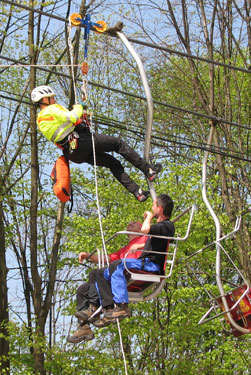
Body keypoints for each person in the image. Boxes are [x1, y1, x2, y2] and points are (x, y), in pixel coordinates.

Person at [31, 85, 162, 202]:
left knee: (113, 164)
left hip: (74, 153)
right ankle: (148, 170)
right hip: (81, 141)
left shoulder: (40, 121)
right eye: (51, 98)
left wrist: (82, 118)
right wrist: (79, 107)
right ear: (44, 100)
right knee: (118, 144)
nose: (54, 100)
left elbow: (65, 127)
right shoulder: (51, 109)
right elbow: (72, 117)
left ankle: (137, 192)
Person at [95, 194, 175, 321]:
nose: (151, 208)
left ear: (159, 209)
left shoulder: (166, 226)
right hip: (145, 262)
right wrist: (140, 246)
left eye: (153, 205)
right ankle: (108, 308)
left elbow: (144, 230)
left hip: (151, 264)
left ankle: (122, 306)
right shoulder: (161, 228)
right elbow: (156, 240)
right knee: (103, 273)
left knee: (119, 265)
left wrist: (149, 217)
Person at [67, 221, 147, 344]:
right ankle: (84, 326)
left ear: (141, 228)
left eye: (133, 224)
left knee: (98, 273)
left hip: (130, 271)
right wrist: (88, 256)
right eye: (128, 224)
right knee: (82, 290)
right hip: (116, 272)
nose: (129, 225)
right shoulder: (124, 249)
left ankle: (102, 307)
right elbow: (108, 259)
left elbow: (153, 241)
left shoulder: (146, 239)